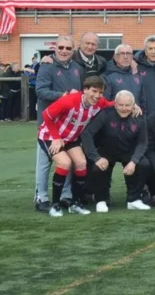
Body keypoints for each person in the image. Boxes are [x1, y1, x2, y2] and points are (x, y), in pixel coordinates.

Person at [40, 75, 114, 217]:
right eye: (94, 91)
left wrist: (132, 105)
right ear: (85, 89)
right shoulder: (69, 100)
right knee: (65, 163)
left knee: (81, 163)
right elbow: (46, 115)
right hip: (50, 136)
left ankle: (75, 203)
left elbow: (112, 104)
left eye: (100, 92)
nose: (97, 96)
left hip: (71, 138)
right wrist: (56, 138)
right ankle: (55, 205)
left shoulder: (99, 102)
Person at [80, 90, 152, 213]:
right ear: (115, 104)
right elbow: (87, 134)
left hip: (128, 150)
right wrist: (96, 157)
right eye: (121, 105)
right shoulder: (105, 114)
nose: (124, 108)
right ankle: (101, 200)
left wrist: (133, 161)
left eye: (127, 105)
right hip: (106, 150)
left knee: (143, 164)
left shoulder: (139, 117)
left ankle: (134, 200)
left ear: (133, 105)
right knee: (97, 167)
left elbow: (142, 142)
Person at [33, 35, 83, 212]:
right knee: (45, 162)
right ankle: (41, 197)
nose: (64, 51)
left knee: (68, 161)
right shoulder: (47, 66)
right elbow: (41, 91)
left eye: (68, 48)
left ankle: (65, 196)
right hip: (48, 123)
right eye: (61, 47)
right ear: (55, 48)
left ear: (73, 50)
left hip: (68, 124)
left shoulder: (77, 68)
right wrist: (64, 96)